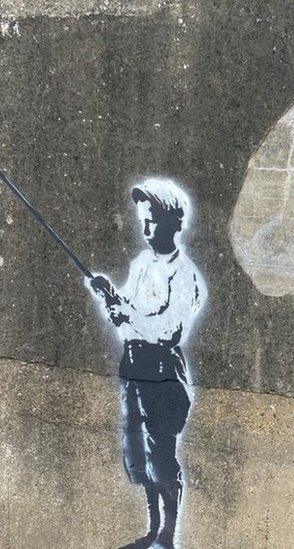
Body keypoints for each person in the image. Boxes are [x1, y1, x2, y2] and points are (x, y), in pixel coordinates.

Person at [88, 177, 206, 549]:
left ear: (172, 220)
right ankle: (153, 530)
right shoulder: (141, 264)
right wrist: (110, 298)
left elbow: (167, 332)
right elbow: (127, 319)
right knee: (139, 456)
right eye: (143, 219)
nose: (145, 227)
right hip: (134, 370)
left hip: (162, 374)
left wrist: (125, 315)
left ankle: (167, 537)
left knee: (162, 458)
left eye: (152, 219)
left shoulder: (183, 274)